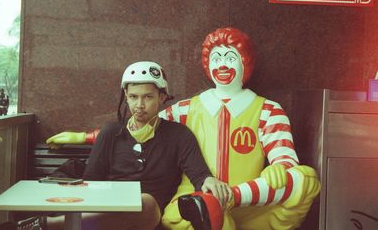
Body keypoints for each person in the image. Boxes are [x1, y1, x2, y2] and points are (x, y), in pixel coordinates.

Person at [47, 28, 321, 230]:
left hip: (249, 203)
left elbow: (284, 161)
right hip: (195, 205)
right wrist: (84, 137)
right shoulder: (186, 110)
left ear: (245, 61)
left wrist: (279, 171)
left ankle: (229, 198)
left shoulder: (267, 110)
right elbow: (134, 127)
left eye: (231, 57)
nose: (223, 65)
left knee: (305, 179)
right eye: (216, 58)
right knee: (207, 211)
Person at [47, 61, 230, 230]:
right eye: (133, 97)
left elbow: (199, 174)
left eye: (148, 97)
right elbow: (92, 181)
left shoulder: (179, 135)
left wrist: (208, 180)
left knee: (145, 203)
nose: (139, 105)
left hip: (150, 214)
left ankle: (47, 225)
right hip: (108, 208)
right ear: (126, 96)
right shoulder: (111, 132)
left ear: (162, 97)